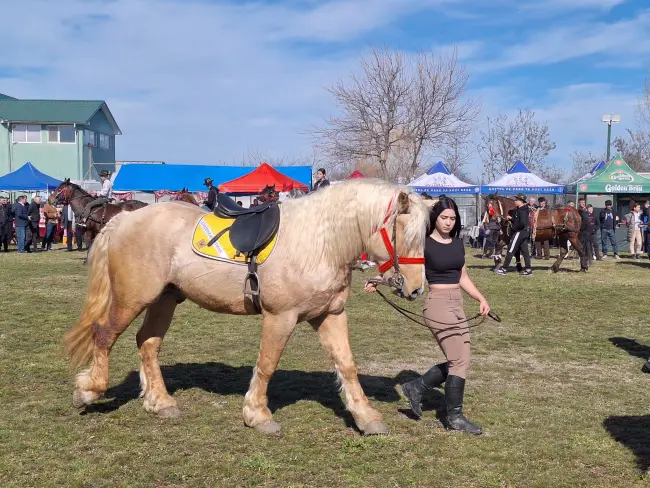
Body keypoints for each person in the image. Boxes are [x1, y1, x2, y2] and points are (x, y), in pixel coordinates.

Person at [365, 196, 490, 435]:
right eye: (444, 217)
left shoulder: (457, 243)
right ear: (435, 218)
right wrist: (378, 281)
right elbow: (403, 268)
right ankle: (454, 417)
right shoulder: (423, 244)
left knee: (461, 359)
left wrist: (481, 298)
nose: (449, 222)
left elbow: (462, 277)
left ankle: (416, 387)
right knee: (458, 360)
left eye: (453, 218)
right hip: (437, 304)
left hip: (457, 303)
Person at [496, 193, 532, 276]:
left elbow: (522, 223)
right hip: (524, 232)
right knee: (525, 251)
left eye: (517, 200)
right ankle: (528, 269)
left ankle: (504, 268)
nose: (515, 201)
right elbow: (519, 221)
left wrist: (513, 227)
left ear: (521, 201)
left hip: (520, 232)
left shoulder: (522, 210)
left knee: (511, 249)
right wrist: (512, 219)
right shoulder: (521, 210)